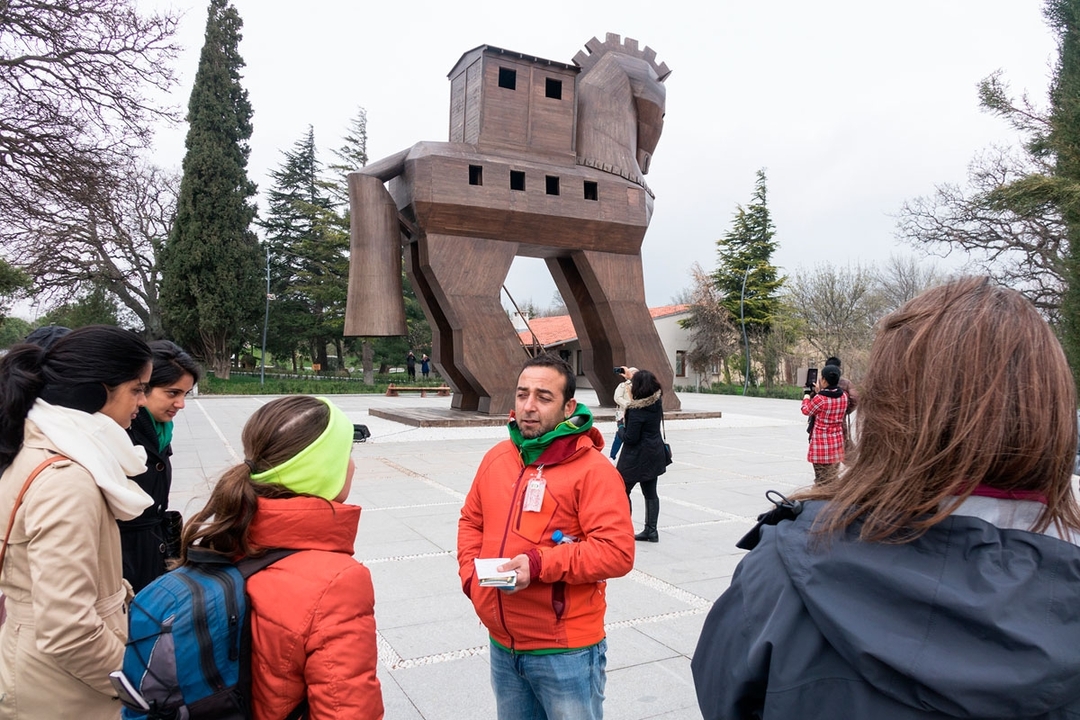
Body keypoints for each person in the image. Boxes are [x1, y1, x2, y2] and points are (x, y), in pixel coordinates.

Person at [692, 277, 1080, 719]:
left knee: (824, 476)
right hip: (836, 446)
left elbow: (723, 694)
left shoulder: (784, 569)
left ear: (893, 406)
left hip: (821, 446)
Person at [176, 395, 383, 719]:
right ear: (321, 470)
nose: (353, 464)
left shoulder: (227, 533)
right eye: (347, 453)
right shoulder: (336, 581)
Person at [457, 353, 634, 720]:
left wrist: (539, 563)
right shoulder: (498, 457)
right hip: (503, 645)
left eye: (543, 397)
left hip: (564, 650)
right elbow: (471, 521)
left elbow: (617, 552)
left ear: (569, 406)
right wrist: (471, 579)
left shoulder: (594, 471)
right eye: (522, 395)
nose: (529, 407)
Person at [0, 325, 154, 719]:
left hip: (48, 673)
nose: (142, 401)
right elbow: (69, 629)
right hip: (64, 692)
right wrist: (139, 686)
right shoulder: (68, 478)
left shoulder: (43, 447)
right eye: (137, 388)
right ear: (97, 390)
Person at [119, 340, 201, 593]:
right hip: (124, 560)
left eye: (185, 394)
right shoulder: (122, 431)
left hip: (153, 550)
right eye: (172, 393)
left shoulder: (161, 431)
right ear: (143, 389)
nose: (181, 404)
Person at [616, 368, 668, 542]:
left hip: (635, 458)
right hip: (654, 454)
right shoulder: (656, 403)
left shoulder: (636, 411)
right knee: (651, 492)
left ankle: (624, 529)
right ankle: (651, 530)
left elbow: (631, 438)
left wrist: (620, 427)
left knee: (622, 491)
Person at [800, 363, 847, 484]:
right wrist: (820, 392)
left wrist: (806, 396)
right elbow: (830, 398)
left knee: (820, 479)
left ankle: (820, 500)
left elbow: (806, 410)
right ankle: (834, 499)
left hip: (821, 444)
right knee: (832, 478)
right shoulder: (844, 396)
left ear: (824, 380)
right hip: (836, 443)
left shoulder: (820, 399)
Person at [826, 354, 858, 450]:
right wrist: (846, 410)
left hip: (822, 422)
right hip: (840, 420)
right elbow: (855, 399)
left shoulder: (821, 382)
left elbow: (812, 400)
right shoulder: (846, 383)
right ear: (839, 368)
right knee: (843, 443)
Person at [608, 366, 637, 461]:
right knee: (620, 434)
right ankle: (612, 456)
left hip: (636, 414)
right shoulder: (623, 385)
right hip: (624, 414)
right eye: (633, 373)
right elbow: (617, 397)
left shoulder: (641, 386)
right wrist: (628, 405)